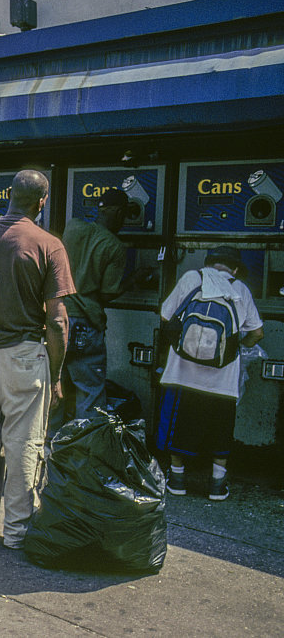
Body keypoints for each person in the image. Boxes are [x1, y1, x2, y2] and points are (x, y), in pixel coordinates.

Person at [0, 169, 75, 550]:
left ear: (8, 195)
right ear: (42, 202)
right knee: (24, 443)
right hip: (26, 354)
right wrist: (55, 375)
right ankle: (18, 530)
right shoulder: (48, 245)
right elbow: (57, 322)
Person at [157, 246, 263, 501]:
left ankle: (177, 479)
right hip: (222, 380)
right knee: (220, 431)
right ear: (235, 269)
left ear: (209, 263)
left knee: (178, 428)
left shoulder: (192, 278)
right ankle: (217, 484)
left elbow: (164, 314)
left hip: (182, 374)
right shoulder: (241, 289)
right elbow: (257, 333)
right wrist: (237, 350)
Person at [51, 187, 132, 433]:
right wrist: (134, 280)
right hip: (86, 323)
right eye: (125, 215)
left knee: (56, 385)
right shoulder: (114, 246)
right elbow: (107, 293)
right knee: (90, 393)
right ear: (117, 212)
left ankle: (48, 444)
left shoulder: (73, 227)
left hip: (59, 318)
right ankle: (83, 449)